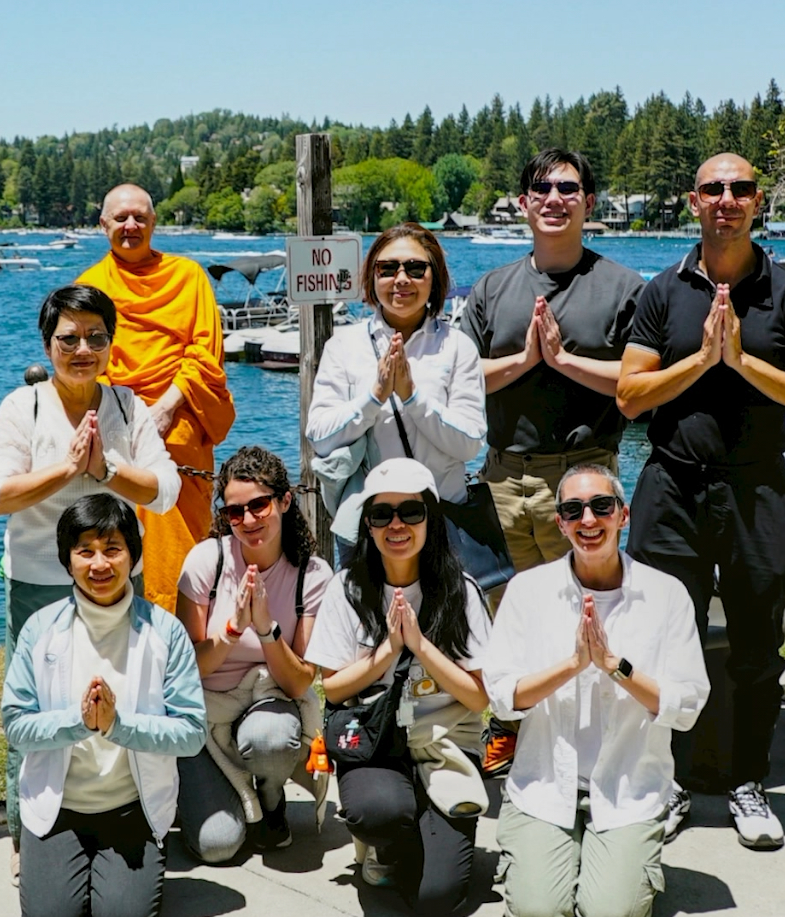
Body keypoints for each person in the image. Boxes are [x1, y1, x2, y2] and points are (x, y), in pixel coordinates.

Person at [616, 153, 785, 850]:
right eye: (712, 188)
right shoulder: (661, 291)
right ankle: (665, 783)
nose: (725, 199)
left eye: (739, 189)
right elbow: (627, 396)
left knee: (754, 651)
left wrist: (742, 362)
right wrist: (702, 360)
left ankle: (746, 781)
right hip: (672, 486)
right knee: (655, 643)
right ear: (693, 200)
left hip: (757, 487)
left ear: (755, 201)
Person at [0, 283, 181, 876]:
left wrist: (107, 468)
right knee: (36, 709)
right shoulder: (25, 408)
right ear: (48, 344)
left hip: (120, 583)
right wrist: (67, 469)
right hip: (40, 581)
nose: (83, 349)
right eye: (69, 339)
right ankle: (28, 834)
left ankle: (137, 816)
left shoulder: (126, 406)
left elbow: (165, 492)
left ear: (111, 345)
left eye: (96, 337)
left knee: (133, 695)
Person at [486, 464, 709, 917]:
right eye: (573, 510)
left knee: (610, 912)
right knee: (538, 912)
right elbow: (502, 696)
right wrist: (573, 665)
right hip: (544, 786)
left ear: (623, 516)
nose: (588, 520)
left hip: (629, 790)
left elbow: (687, 705)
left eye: (601, 506)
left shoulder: (668, 594)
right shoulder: (527, 590)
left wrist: (615, 667)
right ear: (560, 523)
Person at [2, 494, 206, 917]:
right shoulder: (40, 628)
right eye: (85, 551)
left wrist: (118, 726)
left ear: (132, 556)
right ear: (67, 559)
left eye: (113, 549)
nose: (99, 564)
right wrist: (78, 722)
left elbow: (191, 731)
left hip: (133, 809)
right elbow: (16, 725)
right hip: (58, 808)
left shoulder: (164, 631)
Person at [304, 458, 492, 917]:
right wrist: (388, 650)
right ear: (366, 525)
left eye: (411, 512)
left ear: (431, 517)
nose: (397, 525)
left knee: (436, 898)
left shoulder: (461, 591)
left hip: (444, 742)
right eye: (382, 514)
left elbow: (478, 697)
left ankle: (423, 833)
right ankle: (385, 842)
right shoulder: (347, 589)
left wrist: (422, 647)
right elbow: (332, 688)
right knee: (378, 812)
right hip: (376, 742)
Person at [459, 149, 644, 573]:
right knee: (504, 616)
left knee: (584, 610)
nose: (553, 198)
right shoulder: (491, 288)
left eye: (567, 188)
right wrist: (526, 360)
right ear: (524, 203)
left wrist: (562, 360)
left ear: (590, 202)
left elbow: (641, 383)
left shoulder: (624, 289)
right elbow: (462, 378)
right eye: (541, 188)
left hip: (584, 485)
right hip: (501, 482)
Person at [76, 184, 235, 612]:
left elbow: (205, 353)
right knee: (114, 540)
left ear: (153, 223)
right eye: (121, 218)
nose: (130, 226)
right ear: (103, 224)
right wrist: (129, 414)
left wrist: (166, 406)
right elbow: (85, 359)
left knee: (184, 553)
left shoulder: (188, 277)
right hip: (117, 430)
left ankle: (188, 638)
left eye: (140, 218)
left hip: (180, 423)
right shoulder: (89, 286)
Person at [174, 446, 333, 862]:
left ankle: (270, 795)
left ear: (284, 501)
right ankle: (206, 791)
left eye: (259, 505)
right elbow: (186, 669)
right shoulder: (205, 562)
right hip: (206, 711)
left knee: (269, 739)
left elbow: (300, 681)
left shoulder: (312, 575)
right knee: (217, 846)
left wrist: (265, 629)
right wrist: (232, 630)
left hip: (268, 701)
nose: (247, 521)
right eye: (234, 512)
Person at [306, 223, 486, 555]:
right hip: (367, 525)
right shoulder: (344, 346)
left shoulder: (457, 347)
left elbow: (470, 445)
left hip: (441, 521)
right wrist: (374, 396)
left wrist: (412, 397)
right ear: (372, 278)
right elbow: (319, 435)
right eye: (387, 268)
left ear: (435, 279)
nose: (401, 279)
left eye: (416, 269)